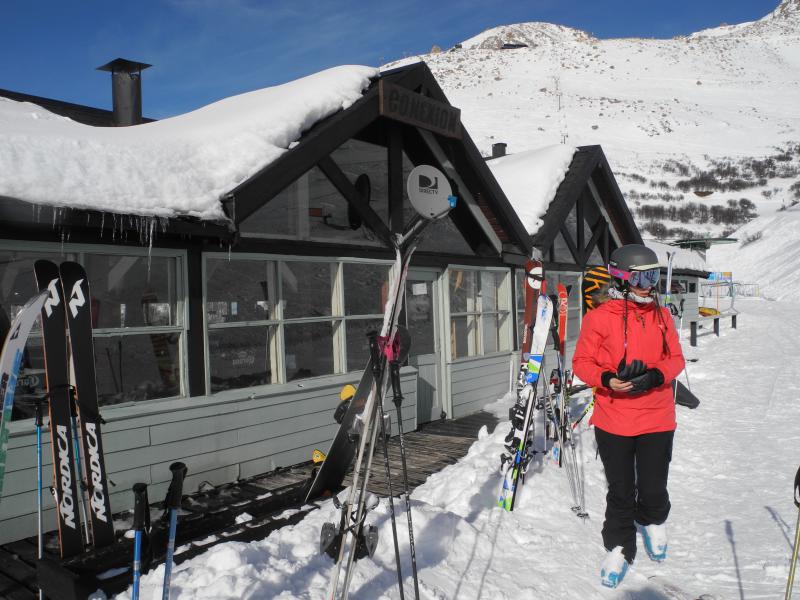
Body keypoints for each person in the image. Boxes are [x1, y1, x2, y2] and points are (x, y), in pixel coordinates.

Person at [572, 244, 685, 589]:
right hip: (614, 416)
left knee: (653, 485)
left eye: (653, 277)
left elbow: (677, 359)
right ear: (620, 279)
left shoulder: (662, 316)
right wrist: (608, 379)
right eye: (642, 277)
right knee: (621, 489)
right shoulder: (599, 317)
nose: (648, 285)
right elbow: (582, 364)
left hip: (656, 415)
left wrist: (654, 376)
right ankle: (620, 544)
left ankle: (652, 519)